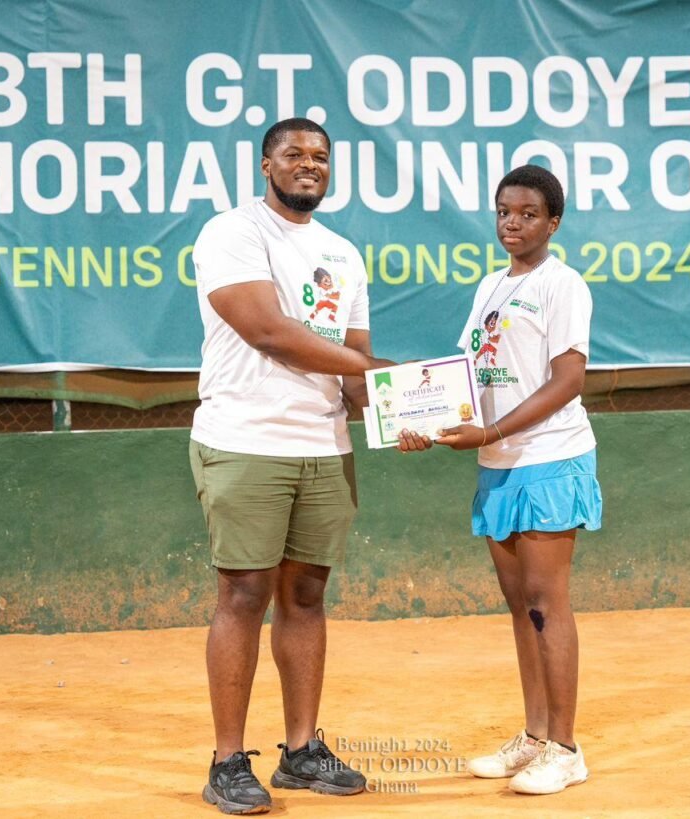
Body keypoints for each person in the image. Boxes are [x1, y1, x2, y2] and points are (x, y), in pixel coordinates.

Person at [190, 117, 386, 815]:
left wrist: (416, 408)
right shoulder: (233, 233)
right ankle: (226, 760)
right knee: (244, 594)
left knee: (305, 596)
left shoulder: (343, 253)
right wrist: (371, 368)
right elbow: (270, 331)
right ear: (266, 165)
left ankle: (301, 751)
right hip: (246, 439)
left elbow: (357, 374)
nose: (311, 165)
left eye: (322, 157)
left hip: (324, 445)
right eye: (295, 154)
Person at [398, 164, 602, 796]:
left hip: (548, 458)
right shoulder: (490, 285)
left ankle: (566, 749)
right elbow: (465, 375)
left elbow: (567, 381)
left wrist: (490, 433)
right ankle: (535, 736)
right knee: (521, 609)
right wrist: (419, 422)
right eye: (505, 212)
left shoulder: (562, 284)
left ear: (553, 222)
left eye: (529, 214)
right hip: (497, 465)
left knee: (547, 604)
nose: (513, 223)